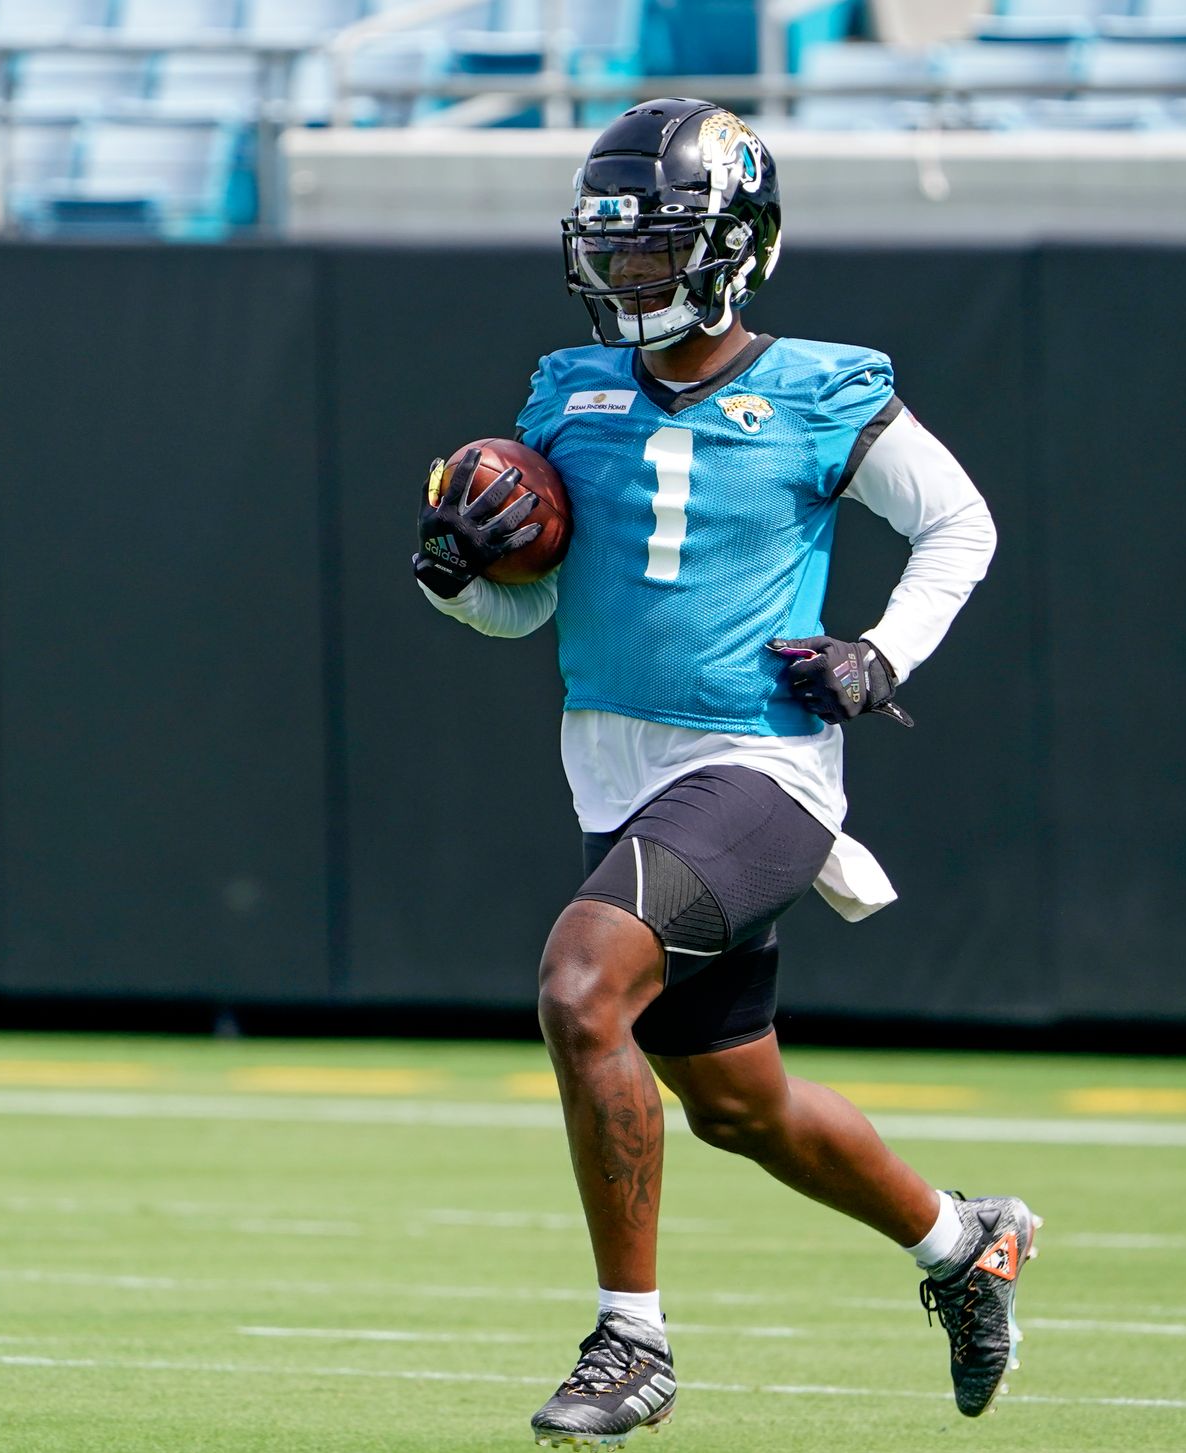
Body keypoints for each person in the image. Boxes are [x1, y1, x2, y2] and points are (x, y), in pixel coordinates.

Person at [413, 97, 1032, 1449]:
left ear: (737, 248)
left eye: (658, 253)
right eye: (617, 254)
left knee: (582, 986)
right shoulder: (563, 395)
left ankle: (630, 1339)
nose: (631, 277)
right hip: (623, 783)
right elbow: (530, 614)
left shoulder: (822, 386)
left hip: (761, 771)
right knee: (740, 1103)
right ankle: (964, 1241)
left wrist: (882, 654)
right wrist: (459, 578)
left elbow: (959, 524)